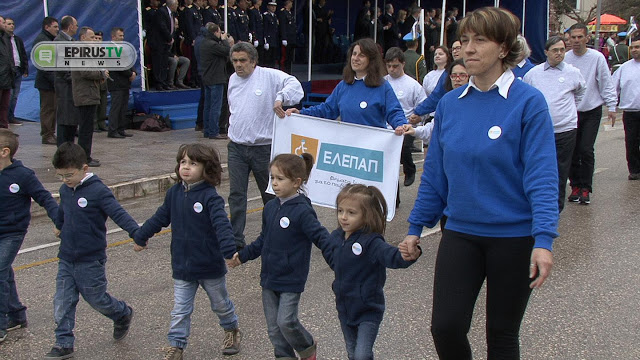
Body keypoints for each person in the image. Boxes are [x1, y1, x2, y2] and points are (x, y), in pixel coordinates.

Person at [400, 7, 558, 359]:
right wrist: (415, 227)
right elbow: (436, 175)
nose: (467, 49)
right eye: (464, 40)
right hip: (461, 234)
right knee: (446, 327)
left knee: (501, 335)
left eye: (480, 41)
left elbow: (542, 176)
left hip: (515, 238)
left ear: (504, 48)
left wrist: (544, 239)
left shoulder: (528, 103)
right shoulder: (450, 106)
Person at [133, 143, 242, 359]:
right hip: (182, 265)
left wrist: (230, 252)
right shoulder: (174, 193)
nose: (186, 167)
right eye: (183, 162)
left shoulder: (210, 197)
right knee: (180, 309)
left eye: (193, 163)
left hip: (209, 265)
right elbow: (159, 218)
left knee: (220, 304)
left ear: (206, 168)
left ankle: (231, 329)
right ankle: (176, 346)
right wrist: (141, 235)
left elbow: (222, 225)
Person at [45, 143, 138, 359]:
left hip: (90, 259)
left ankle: (122, 313)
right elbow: (62, 212)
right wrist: (59, 226)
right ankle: (63, 342)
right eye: (61, 176)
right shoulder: (65, 190)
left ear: (84, 168)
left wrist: (136, 233)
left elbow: (119, 214)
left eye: (69, 175)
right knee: (62, 301)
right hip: (67, 258)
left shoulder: (98, 191)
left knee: (97, 299)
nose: (65, 180)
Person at [229, 153, 326, 360]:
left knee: (286, 322)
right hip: (269, 277)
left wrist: (338, 256)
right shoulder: (271, 207)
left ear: (296, 182)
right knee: (274, 329)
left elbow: (320, 237)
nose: (274, 183)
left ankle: (307, 347)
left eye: (280, 179)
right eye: (272, 178)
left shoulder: (302, 210)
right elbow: (263, 239)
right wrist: (243, 256)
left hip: (291, 277)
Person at [314, 184, 421, 359]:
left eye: (351, 212)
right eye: (340, 211)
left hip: (368, 310)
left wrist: (408, 255)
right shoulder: (337, 237)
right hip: (345, 308)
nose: (344, 217)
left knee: (362, 355)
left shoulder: (371, 242)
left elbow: (391, 256)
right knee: (352, 352)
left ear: (366, 215)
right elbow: (333, 258)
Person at [226, 42, 303, 250]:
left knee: (270, 194)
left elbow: (296, 86)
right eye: (235, 61)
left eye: (243, 60)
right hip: (237, 147)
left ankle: (274, 235)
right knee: (236, 195)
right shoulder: (232, 80)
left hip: (263, 147)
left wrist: (281, 98)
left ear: (253, 61)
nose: (238, 65)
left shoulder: (270, 76)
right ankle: (235, 240)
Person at [0, 129, 58, 344]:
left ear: (5, 152)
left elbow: (45, 198)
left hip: (12, 233)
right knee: (3, 272)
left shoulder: (23, 175)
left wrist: (60, 221)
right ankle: (16, 315)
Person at [287, 38, 406, 133]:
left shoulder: (382, 86)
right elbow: (326, 110)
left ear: (371, 60)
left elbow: (394, 112)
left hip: (373, 150)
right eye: (354, 54)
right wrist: (301, 113)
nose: (356, 58)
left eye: (361, 55)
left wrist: (401, 126)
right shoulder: (343, 85)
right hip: (349, 149)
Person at [524, 36, 586, 212]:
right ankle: (537, 202)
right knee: (540, 167)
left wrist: (571, 110)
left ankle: (555, 207)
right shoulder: (533, 74)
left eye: (562, 50)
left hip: (565, 128)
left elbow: (581, 92)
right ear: (546, 52)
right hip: (541, 130)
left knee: (560, 169)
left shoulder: (572, 72)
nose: (559, 53)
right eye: (555, 50)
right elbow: (527, 97)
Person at [564, 22, 617, 205]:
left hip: (592, 110)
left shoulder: (596, 58)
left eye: (580, 37)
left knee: (586, 149)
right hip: (571, 111)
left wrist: (612, 106)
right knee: (571, 150)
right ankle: (575, 186)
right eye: (573, 37)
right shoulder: (565, 58)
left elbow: (605, 82)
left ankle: (586, 187)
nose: (576, 41)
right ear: (569, 38)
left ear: (587, 38)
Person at [383, 47, 426, 187]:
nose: (392, 69)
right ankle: (393, 194)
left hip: (407, 125)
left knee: (402, 146)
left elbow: (423, 106)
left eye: (395, 66)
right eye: (388, 66)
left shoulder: (413, 85)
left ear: (403, 64)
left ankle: (410, 169)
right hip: (386, 126)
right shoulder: (382, 83)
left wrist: (418, 117)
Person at [404, 58, 469, 146]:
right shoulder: (446, 102)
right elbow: (433, 129)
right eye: (454, 75)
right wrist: (414, 131)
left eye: (462, 75)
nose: (457, 79)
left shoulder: (476, 102)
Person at [71, 26, 104, 168]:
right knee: (85, 129)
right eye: (91, 38)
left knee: (88, 128)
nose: (94, 40)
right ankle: (84, 158)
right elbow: (86, 72)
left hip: (89, 93)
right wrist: (101, 74)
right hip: (85, 94)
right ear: (83, 38)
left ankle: (86, 155)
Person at [612, 36, 640, 180]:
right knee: (631, 141)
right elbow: (613, 88)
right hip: (630, 112)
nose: (634, 50)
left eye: (637, 47)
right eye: (633, 47)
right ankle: (634, 170)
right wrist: (612, 106)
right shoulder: (625, 68)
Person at [200, 22, 231, 139]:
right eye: (219, 32)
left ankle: (207, 130)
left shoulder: (204, 42)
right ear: (215, 32)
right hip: (216, 78)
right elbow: (227, 50)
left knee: (208, 106)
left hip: (208, 77)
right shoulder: (212, 44)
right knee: (215, 107)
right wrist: (224, 40)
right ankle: (213, 131)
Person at [54, 16, 80, 147]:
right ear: (70, 26)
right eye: (75, 25)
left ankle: (70, 148)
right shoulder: (60, 42)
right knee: (65, 119)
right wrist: (76, 78)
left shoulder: (71, 41)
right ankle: (63, 149)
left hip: (72, 85)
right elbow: (62, 68)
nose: (76, 27)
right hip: (65, 86)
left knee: (72, 119)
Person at [34, 16, 59, 144]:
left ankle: (50, 133)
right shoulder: (43, 41)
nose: (57, 29)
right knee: (48, 109)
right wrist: (54, 81)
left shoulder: (50, 40)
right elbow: (45, 66)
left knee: (52, 108)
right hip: (46, 83)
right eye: (55, 27)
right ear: (47, 27)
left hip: (50, 81)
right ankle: (47, 134)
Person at [107, 27, 136, 139]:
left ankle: (121, 128)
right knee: (116, 107)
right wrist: (129, 74)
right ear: (113, 37)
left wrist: (134, 72)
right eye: (120, 36)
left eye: (123, 36)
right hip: (116, 83)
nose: (122, 38)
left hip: (124, 83)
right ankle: (113, 130)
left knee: (123, 107)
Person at [149, 0, 178, 91]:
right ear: (172, 5)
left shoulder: (172, 14)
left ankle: (164, 82)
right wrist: (169, 38)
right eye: (176, 4)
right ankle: (159, 83)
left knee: (164, 63)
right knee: (158, 63)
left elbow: (171, 27)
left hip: (165, 43)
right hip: (158, 42)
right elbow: (162, 26)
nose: (177, 6)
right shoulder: (161, 12)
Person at [4, 18, 27, 126]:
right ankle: (5, 117)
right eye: (9, 24)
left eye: (13, 24)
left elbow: (22, 54)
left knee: (15, 95)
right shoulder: (3, 40)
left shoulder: (17, 39)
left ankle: (11, 116)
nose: (11, 26)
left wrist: (25, 68)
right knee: (9, 94)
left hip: (18, 69)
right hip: (8, 71)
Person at [92, 31, 108, 132]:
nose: (98, 41)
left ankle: (102, 123)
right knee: (95, 104)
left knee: (103, 103)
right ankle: (94, 124)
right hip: (95, 80)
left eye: (99, 39)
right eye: (96, 38)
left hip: (104, 81)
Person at [0, 16, 12, 129]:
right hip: (1, 76)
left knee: (4, 106)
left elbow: (9, 58)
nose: (5, 24)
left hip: (7, 78)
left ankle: (4, 129)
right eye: (2, 22)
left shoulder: (6, 38)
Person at [278, 0, 296, 74]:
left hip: (291, 39)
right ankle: (283, 72)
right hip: (286, 39)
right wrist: (284, 38)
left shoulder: (290, 13)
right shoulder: (283, 13)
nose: (292, 4)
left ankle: (288, 72)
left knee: (289, 58)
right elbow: (283, 26)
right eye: (291, 2)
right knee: (284, 58)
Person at [262, 1, 279, 69]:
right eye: (271, 6)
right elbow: (265, 29)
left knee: (273, 59)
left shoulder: (275, 16)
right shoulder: (266, 16)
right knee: (267, 60)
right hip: (268, 40)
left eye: (274, 6)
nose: (273, 8)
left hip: (274, 40)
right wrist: (266, 41)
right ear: (268, 6)